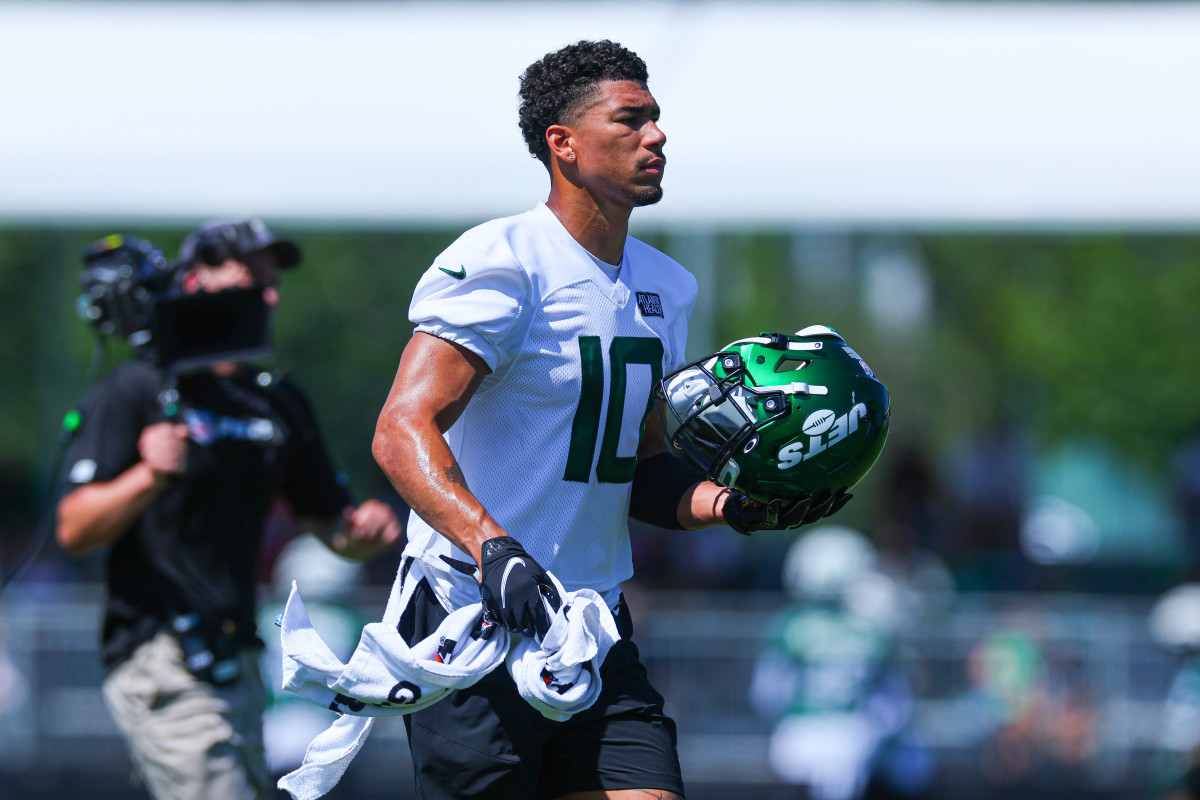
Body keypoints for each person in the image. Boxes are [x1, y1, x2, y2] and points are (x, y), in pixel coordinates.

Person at [371, 40, 843, 800]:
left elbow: (641, 468)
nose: (655, 137)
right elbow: (401, 429)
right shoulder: (505, 259)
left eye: (656, 120)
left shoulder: (667, 285)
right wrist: (495, 548)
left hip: (590, 619)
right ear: (564, 144)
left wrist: (735, 506)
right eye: (631, 120)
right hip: (472, 612)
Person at [56, 219, 402, 800]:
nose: (267, 295)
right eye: (248, 278)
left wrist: (362, 533)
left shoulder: (276, 399)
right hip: (161, 653)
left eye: (271, 283)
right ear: (193, 281)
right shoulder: (139, 388)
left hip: (239, 657)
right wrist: (147, 475)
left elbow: (331, 525)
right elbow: (74, 528)